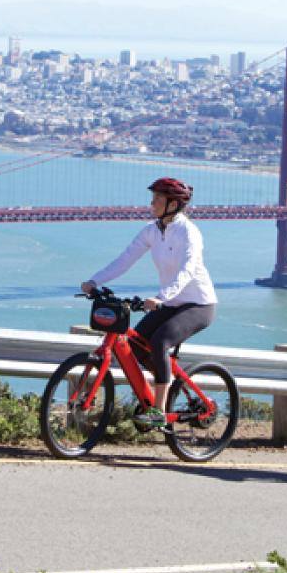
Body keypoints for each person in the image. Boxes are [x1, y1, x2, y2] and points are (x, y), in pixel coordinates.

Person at [81, 177, 217, 429]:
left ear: (173, 204)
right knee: (135, 345)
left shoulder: (189, 233)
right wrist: (94, 281)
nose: (151, 203)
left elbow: (186, 271)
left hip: (198, 304)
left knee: (160, 342)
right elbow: (125, 259)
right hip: (170, 302)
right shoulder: (152, 231)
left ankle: (160, 411)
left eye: (157, 199)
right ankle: (163, 387)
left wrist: (161, 297)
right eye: (152, 198)